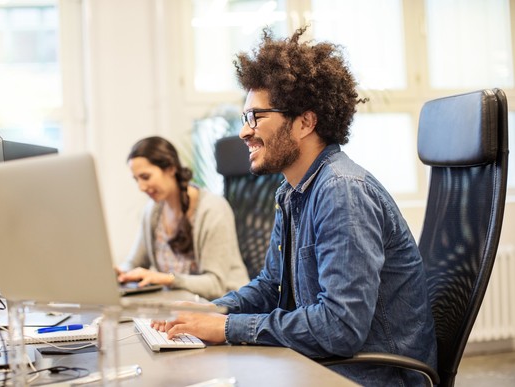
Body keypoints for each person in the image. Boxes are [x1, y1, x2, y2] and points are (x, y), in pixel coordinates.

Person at [152, 27, 437, 386]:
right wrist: (214, 309)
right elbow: (272, 286)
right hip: (326, 365)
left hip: (369, 376)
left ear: (305, 122)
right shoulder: (292, 191)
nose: (244, 131)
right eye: (245, 118)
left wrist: (226, 327)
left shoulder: (342, 192)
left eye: (256, 116)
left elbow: (340, 327)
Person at [116, 136, 249, 301]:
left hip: (224, 308)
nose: (141, 187)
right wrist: (121, 274)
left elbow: (215, 285)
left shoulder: (212, 209)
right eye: (136, 179)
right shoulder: (152, 210)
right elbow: (134, 262)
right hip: (178, 308)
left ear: (171, 168)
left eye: (145, 177)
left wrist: (168, 279)